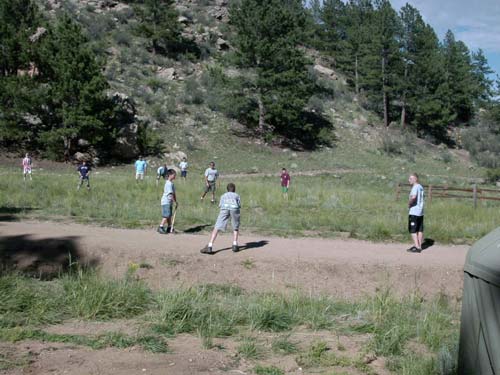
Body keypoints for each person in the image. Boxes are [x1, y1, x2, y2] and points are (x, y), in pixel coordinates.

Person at [201, 183, 241, 254]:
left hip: (224, 208)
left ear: (227, 189)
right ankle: (235, 244)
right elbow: (239, 205)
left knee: (217, 226)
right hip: (234, 208)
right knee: (235, 226)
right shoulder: (237, 195)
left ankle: (210, 245)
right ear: (234, 189)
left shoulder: (223, 195)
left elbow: (220, 205)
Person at [407, 173, 425, 253]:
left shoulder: (415, 187)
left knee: (413, 230)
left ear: (415, 179)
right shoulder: (421, 187)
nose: (409, 180)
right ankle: (419, 246)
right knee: (419, 229)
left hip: (414, 211)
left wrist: (409, 203)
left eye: (410, 179)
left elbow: (413, 197)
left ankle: (417, 247)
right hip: (420, 211)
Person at [158, 169, 177, 234]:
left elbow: (174, 193)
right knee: (166, 215)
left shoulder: (171, 183)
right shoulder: (168, 183)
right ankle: (160, 227)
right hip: (166, 201)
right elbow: (170, 194)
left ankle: (169, 227)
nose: (175, 176)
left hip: (169, 202)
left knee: (169, 215)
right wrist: (173, 201)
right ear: (170, 175)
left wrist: (175, 201)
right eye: (174, 175)